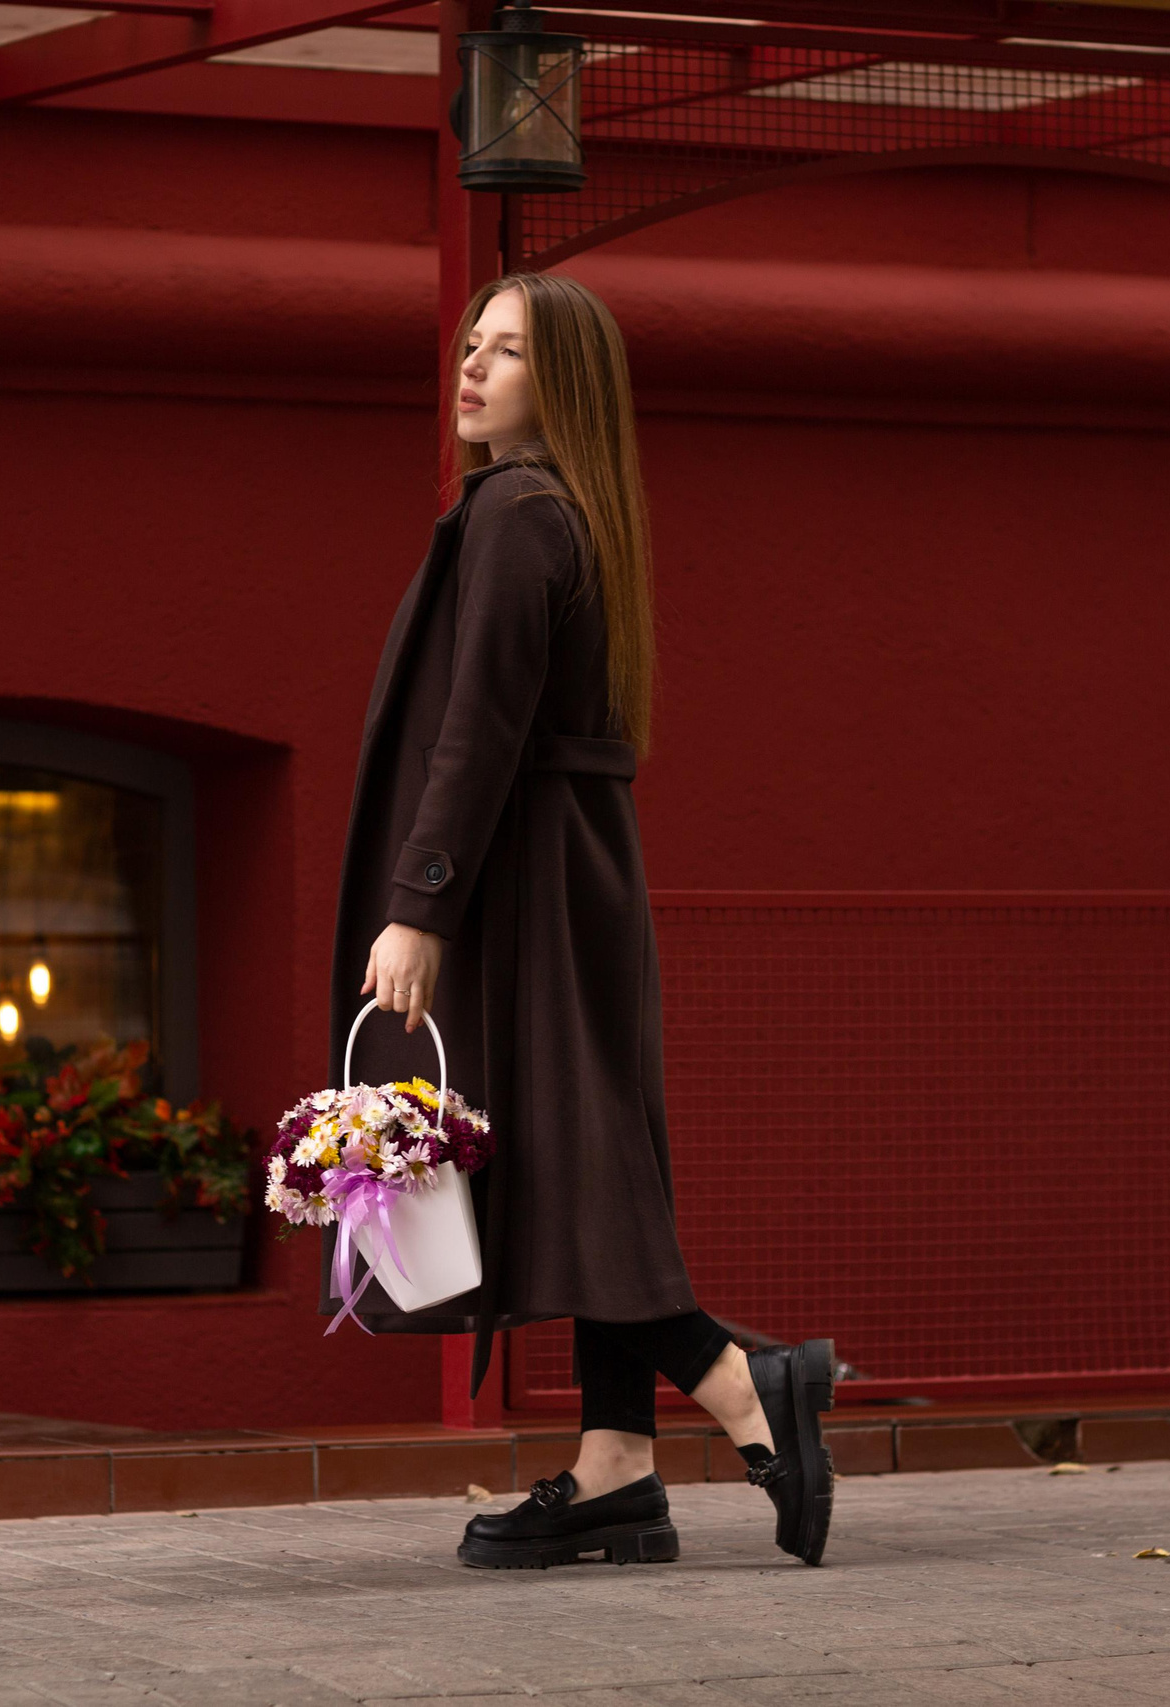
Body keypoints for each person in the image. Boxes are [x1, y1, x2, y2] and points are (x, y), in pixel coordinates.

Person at [326, 270, 837, 1569]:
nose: (473, 368)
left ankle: (748, 1390)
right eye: (471, 343)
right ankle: (617, 1467)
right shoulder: (565, 510)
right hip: (575, 877)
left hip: (525, 891)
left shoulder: (515, 514)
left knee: (567, 1167)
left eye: (508, 352)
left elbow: (476, 729)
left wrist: (419, 904)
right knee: (593, 1167)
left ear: (565, 386)